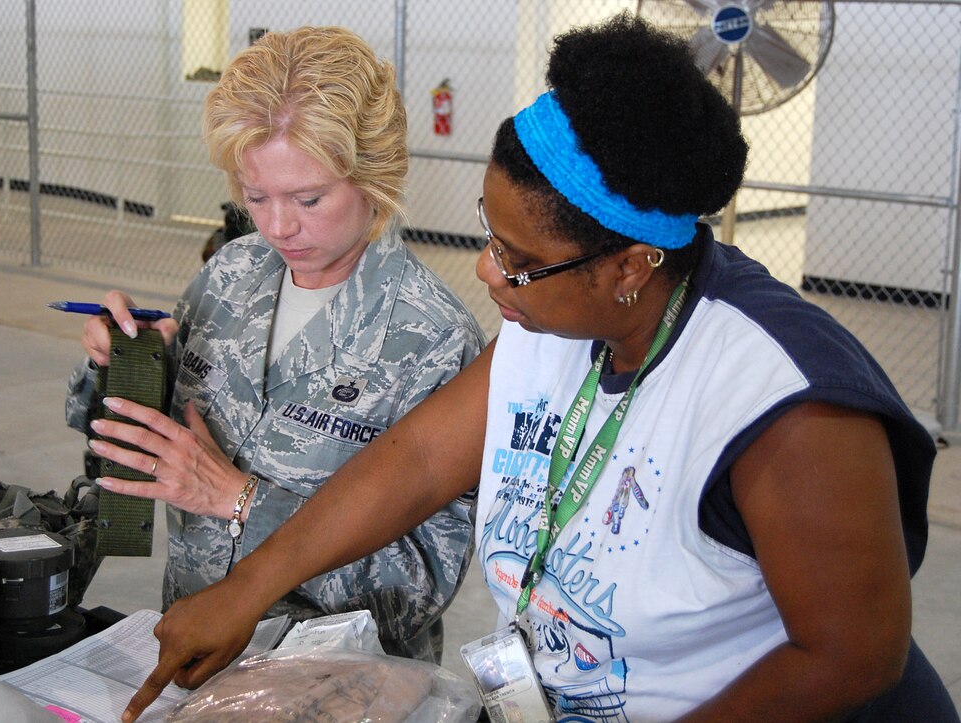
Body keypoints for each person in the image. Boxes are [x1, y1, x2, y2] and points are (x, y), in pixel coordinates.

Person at [116, 13, 959, 723]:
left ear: (629, 267)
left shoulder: (786, 405)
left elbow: (849, 658)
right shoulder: (545, 327)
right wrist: (248, 587)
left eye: (516, 259)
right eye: (489, 234)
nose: (486, 272)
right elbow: (414, 459)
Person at [66, 26, 485, 664]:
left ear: (373, 178)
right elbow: (135, 441)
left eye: (309, 198)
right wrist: (120, 363)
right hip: (197, 653)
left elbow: (419, 588)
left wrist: (240, 500)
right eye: (256, 196)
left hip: (337, 681)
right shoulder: (230, 277)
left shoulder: (432, 338)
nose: (279, 226)